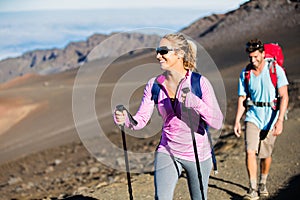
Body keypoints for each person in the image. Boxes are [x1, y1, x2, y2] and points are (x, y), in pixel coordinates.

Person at [114, 33, 223, 200]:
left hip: (198, 154)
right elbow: (140, 120)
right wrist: (126, 120)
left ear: (179, 53)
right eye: (157, 51)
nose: (158, 56)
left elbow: (217, 122)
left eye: (163, 51)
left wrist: (197, 103)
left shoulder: (199, 83)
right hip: (167, 150)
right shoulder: (154, 85)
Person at [233, 39, 289, 200]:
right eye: (250, 57)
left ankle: (262, 183)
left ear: (263, 54)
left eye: (256, 56)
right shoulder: (245, 73)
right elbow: (242, 98)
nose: (253, 60)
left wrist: (280, 121)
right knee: (250, 151)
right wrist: (237, 120)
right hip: (253, 117)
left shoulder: (275, 70)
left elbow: (284, 96)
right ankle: (252, 188)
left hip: (270, 118)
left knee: (265, 154)